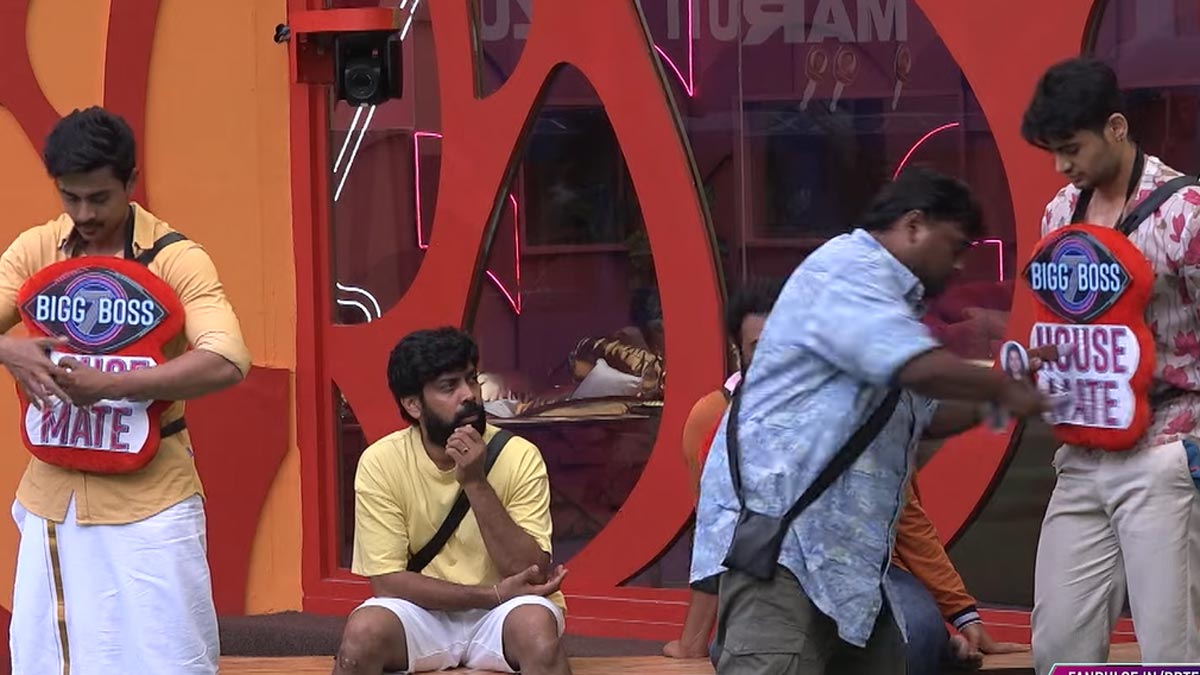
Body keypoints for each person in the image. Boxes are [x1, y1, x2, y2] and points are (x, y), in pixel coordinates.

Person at [690, 167, 1048, 674]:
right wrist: (1001, 388)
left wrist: (1007, 398)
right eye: (955, 245)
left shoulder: (892, 309)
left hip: (850, 578)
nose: (960, 263)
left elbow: (925, 416)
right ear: (914, 225)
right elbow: (918, 369)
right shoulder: (846, 269)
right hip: (785, 560)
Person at [1, 107, 251, 673]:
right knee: (48, 660)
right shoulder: (36, 248)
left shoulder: (177, 257)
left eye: (99, 198)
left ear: (132, 180)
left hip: (152, 500)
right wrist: (8, 350)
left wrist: (115, 385)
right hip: (52, 501)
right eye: (70, 197)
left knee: (170, 658)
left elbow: (227, 359)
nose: (84, 214)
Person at [668, 280, 1028, 672]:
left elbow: (909, 520)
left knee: (916, 635)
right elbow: (715, 537)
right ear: (740, 353)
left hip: (865, 579)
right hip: (774, 578)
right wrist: (692, 643)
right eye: (761, 347)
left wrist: (963, 614)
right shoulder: (722, 420)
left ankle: (942, 646)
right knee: (752, 645)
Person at [1021, 57, 1200, 672]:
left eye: (1071, 148)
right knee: (1057, 646)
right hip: (1081, 450)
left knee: (1171, 650)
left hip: (1167, 444)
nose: (1061, 166)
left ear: (1116, 127)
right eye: (1053, 151)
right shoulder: (1059, 214)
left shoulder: (1186, 213)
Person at [334, 327, 571, 675]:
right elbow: (387, 583)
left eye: (471, 379)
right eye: (449, 386)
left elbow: (530, 570)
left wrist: (475, 482)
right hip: (423, 611)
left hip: (505, 613)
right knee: (362, 637)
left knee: (538, 636)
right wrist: (492, 594)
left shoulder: (519, 455)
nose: (469, 395)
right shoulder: (381, 462)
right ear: (413, 404)